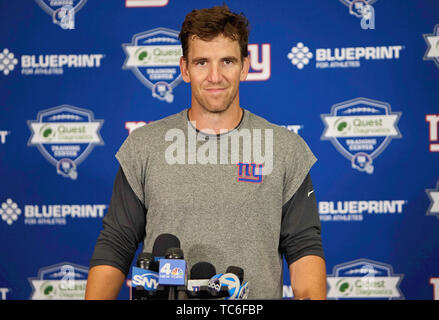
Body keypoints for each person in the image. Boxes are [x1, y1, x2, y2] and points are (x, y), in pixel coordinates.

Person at [85, 4, 326, 300]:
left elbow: (304, 246)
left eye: (227, 61)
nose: (215, 76)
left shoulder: (285, 148)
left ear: (245, 66)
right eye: (202, 63)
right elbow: (117, 243)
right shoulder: (143, 146)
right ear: (185, 69)